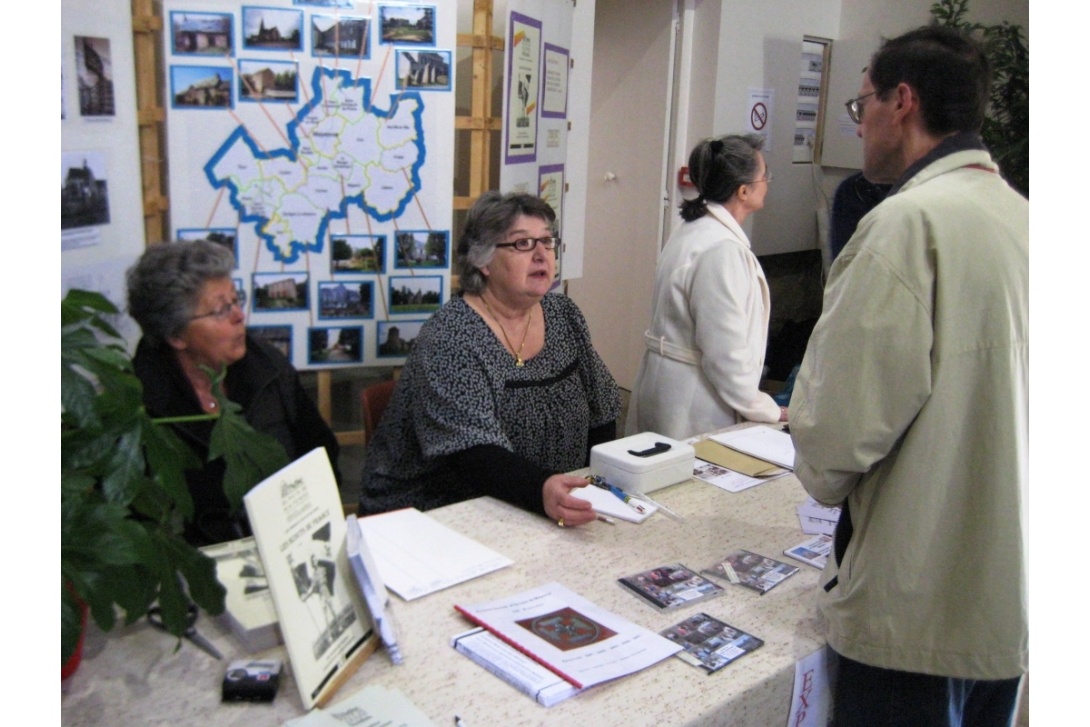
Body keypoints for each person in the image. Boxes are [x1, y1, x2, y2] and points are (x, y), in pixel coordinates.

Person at [789, 26, 1027, 726]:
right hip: (1005, 597)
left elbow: (837, 434)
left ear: (903, 101)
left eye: (861, 107)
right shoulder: (1024, 217)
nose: (860, 129)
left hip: (916, 608)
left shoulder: (907, 224)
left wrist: (817, 460)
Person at [359, 192, 620, 528]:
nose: (542, 254)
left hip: (540, 504)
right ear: (483, 260)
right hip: (437, 514)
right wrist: (542, 489)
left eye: (546, 241)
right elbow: (472, 452)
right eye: (523, 244)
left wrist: (594, 484)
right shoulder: (452, 336)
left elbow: (604, 410)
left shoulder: (563, 314)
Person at [127, 239, 340, 546]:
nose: (239, 316)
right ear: (176, 335)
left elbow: (322, 456)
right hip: (199, 562)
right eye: (220, 310)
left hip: (289, 539)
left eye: (236, 300)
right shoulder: (143, 402)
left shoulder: (268, 367)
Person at [626, 134, 785, 440]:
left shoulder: (692, 230)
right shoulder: (722, 250)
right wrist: (766, 409)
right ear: (743, 190)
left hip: (667, 386)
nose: (768, 182)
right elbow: (726, 354)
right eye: (765, 176)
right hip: (693, 400)